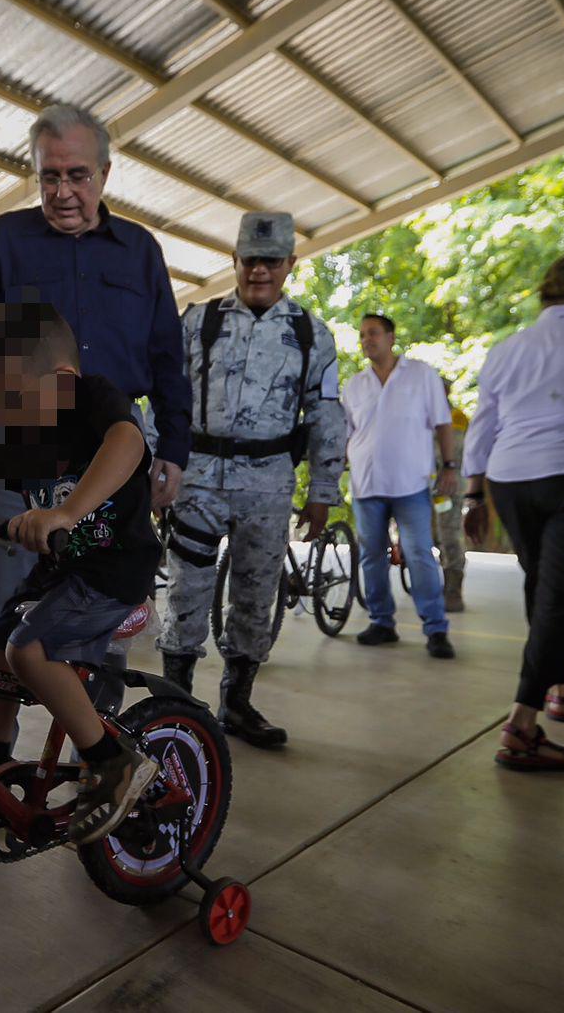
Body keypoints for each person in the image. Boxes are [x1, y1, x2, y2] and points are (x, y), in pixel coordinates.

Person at [0, 103, 192, 747]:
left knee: (96, 606)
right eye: (49, 177)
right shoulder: (2, 240)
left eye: (77, 175)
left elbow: (167, 359)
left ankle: (98, 748)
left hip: (111, 446)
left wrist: (176, 451)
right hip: (14, 436)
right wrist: (0, 369)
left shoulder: (139, 251)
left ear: (105, 174)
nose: (63, 192)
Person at [0, 302, 161, 843]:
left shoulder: (93, 399)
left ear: (63, 383)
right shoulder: (17, 428)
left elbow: (128, 442)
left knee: (29, 650)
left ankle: (113, 761)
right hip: (63, 569)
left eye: (9, 401)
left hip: (114, 571)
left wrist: (65, 512)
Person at [156, 212, 344, 749]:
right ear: (235, 262)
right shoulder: (199, 322)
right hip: (196, 482)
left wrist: (323, 492)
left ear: (290, 264)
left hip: (269, 485)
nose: (259, 270)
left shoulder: (311, 334)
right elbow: (166, 398)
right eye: (249, 260)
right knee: (186, 592)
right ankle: (176, 702)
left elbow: (326, 414)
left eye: (271, 261)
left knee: (256, 594)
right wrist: (157, 466)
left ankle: (236, 702)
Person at [463, 253, 564, 772]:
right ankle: (521, 725)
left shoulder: (509, 348)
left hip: (512, 480)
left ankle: (557, 685)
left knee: (545, 583)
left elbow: (483, 423)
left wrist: (473, 494)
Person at [342, 314, 458, 658]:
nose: (367, 340)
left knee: (420, 553)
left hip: (411, 484)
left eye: (373, 333)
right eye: (362, 335)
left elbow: (442, 424)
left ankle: (436, 629)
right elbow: (345, 435)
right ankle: (382, 622)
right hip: (366, 484)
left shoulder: (421, 375)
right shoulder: (354, 386)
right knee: (371, 556)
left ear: (392, 337)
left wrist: (449, 466)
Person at [436, 381, 467, 612]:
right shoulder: (422, 415)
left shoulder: (456, 416)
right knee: (431, 535)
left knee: (448, 535)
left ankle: (453, 590)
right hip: (424, 483)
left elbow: (456, 450)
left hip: (448, 485)